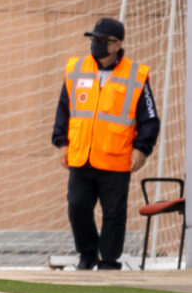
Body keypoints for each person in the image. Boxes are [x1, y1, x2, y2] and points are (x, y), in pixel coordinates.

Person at [51, 17, 160, 270]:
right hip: (81, 155)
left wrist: (142, 148)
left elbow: (150, 117)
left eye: (102, 40)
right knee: (77, 207)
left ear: (117, 44)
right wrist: (61, 142)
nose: (96, 44)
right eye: (93, 39)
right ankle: (87, 254)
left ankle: (109, 260)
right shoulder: (76, 69)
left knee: (114, 213)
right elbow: (64, 109)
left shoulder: (136, 75)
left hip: (116, 157)